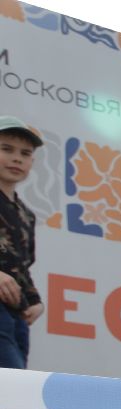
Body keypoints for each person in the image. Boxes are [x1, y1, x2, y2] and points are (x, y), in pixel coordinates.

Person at [0, 116, 42, 370]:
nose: (17, 159)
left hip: (16, 316)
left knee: (14, 387)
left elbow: (23, 265)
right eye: (6, 149)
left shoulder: (26, 214)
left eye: (25, 154)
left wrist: (35, 301)